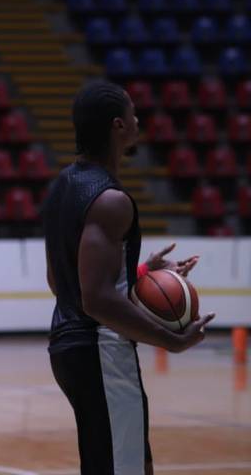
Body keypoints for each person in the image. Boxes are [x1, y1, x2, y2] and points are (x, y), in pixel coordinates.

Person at [43, 81, 215, 475]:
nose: (139, 121)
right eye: (134, 114)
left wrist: (139, 272)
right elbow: (97, 300)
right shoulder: (111, 200)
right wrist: (173, 341)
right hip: (100, 349)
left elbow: (60, 279)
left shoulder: (62, 187)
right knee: (126, 468)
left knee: (132, 462)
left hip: (70, 348)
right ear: (118, 126)